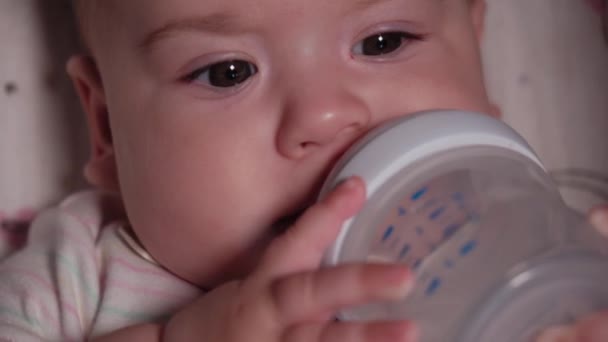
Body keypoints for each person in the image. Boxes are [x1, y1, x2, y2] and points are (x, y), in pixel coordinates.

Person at [0, 0, 605, 341]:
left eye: (384, 41)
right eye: (227, 73)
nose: (325, 114)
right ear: (107, 128)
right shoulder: (75, 274)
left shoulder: (531, 249)